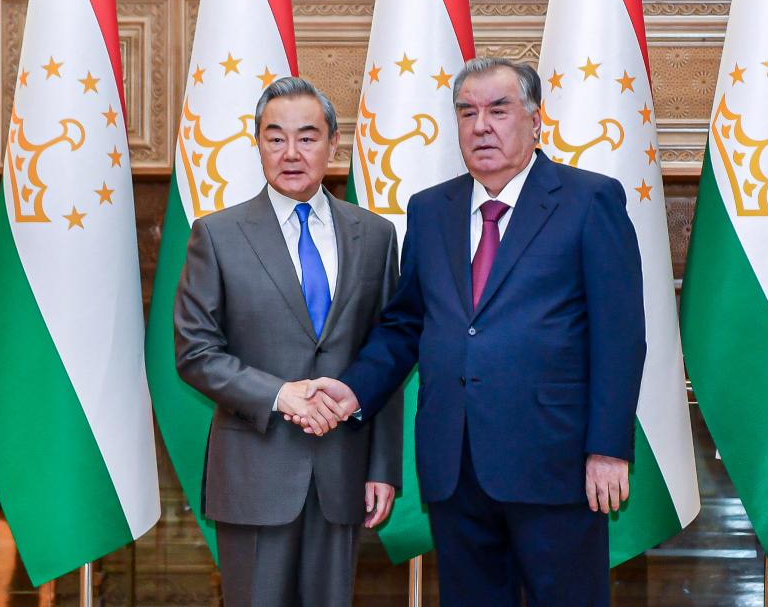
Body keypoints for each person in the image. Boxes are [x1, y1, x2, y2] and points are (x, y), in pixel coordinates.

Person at [298, 58, 646, 606]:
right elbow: (406, 323)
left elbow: (619, 336)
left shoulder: (589, 200)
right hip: (455, 466)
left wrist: (607, 449)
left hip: (555, 465)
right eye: (467, 112)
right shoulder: (431, 209)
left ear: (536, 121)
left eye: (498, 111)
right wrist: (354, 389)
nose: (481, 126)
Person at [174, 77, 403, 607]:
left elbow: (386, 355)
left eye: (307, 137)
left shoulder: (375, 236)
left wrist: (382, 467)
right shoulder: (217, 235)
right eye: (275, 138)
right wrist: (280, 395)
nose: (291, 153)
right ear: (257, 145)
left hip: (343, 472)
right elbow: (195, 351)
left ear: (333, 143)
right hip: (255, 473)